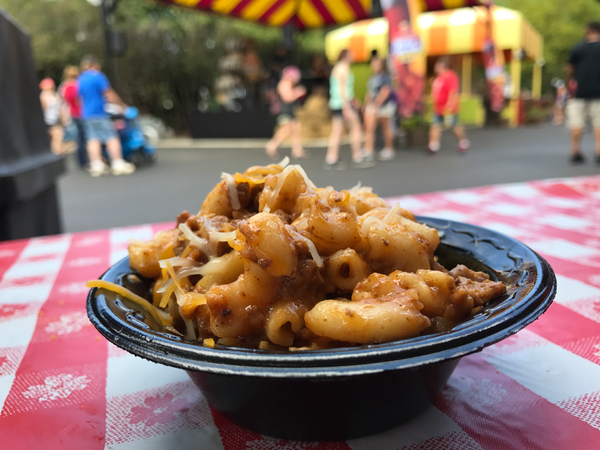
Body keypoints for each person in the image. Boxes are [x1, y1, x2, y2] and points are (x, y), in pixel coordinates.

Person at [77, 55, 135, 177]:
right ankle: (117, 163)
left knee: (93, 139)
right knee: (111, 137)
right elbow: (108, 93)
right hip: (99, 112)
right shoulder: (97, 76)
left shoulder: (81, 79)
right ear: (95, 65)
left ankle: (97, 165)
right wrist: (122, 106)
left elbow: (79, 98)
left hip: (86, 114)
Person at [325, 49, 372, 170]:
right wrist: (347, 105)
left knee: (338, 130)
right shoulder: (343, 68)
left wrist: (351, 101)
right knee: (355, 127)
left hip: (338, 103)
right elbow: (342, 88)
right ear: (346, 56)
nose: (354, 56)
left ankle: (331, 158)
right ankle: (357, 157)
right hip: (342, 104)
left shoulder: (338, 67)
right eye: (351, 54)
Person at [565, 21, 600, 164]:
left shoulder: (578, 48)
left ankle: (575, 152)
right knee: (598, 124)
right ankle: (599, 152)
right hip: (599, 93)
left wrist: (569, 88)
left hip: (579, 92)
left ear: (588, 31)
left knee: (576, 124)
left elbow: (569, 70)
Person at [428, 57, 469, 154]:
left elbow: (453, 93)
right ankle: (433, 145)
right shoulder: (439, 78)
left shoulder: (450, 77)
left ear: (444, 66)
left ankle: (463, 142)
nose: (436, 68)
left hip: (449, 109)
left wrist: (449, 107)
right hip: (438, 108)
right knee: (435, 125)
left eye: (438, 66)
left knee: (454, 126)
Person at [265, 66, 307, 160]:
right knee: (286, 130)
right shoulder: (284, 84)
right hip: (286, 110)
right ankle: (272, 145)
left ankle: (297, 150)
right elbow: (287, 98)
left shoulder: (287, 84)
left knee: (296, 129)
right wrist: (297, 92)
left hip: (290, 110)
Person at [363, 55, 397, 161]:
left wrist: (376, 104)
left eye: (376, 63)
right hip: (374, 106)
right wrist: (366, 104)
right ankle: (368, 149)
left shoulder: (385, 77)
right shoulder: (372, 78)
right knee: (369, 128)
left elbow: (385, 92)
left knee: (385, 128)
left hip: (384, 106)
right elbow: (370, 93)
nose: (374, 65)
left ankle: (389, 148)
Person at [60, 66, 87, 169]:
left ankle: (81, 160)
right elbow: (78, 100)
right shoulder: (76, 86)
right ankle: (83, 161)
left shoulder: (64, 87)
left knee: (79, 137)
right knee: (83, 137)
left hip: (71, 113)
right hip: (79, 113)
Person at [39, 78, 64, 154]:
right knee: (57, 138)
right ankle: (57, 153)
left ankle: (57, 152)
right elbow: (43, 109)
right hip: (49, 120)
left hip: (55, 119)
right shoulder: (44, 96)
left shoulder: (54, 94)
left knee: (57, 138)